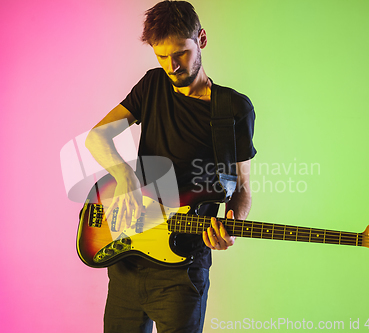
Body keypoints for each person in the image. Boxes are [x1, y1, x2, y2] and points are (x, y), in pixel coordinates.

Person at [85, 1, 256, 332]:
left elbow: (241, 186)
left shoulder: (234, 109)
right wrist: (123, 177)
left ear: (201, 39)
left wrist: (233, 226)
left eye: (180, 53)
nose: (171, 66)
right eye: (161, 56)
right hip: (128, 258)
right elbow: (97, 138)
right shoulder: (152, 85)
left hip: (183, 271)